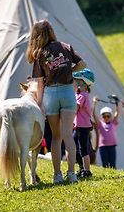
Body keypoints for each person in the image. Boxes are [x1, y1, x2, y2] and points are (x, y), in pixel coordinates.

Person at [27, 20, 86, 184]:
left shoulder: (40, 53)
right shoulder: (65, 46)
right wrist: (69, 71)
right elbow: (82, 64)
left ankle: (57, 175)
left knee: (56, 137)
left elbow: (39, 82)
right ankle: (72, 173)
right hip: (68, 91)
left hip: (51, 94)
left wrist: (39, 104)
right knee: (68, 135)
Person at [72, 68, 95, 178]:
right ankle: (82, 168)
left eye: (79, 82)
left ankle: (87, 171)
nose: (77, 83)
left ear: (85, 83)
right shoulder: (83, 94)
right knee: (74, 145)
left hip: (82, 126)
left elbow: (75, 108)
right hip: (80, 126)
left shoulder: (82, 95)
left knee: (83, 149)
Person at [92, 96, 120, 169]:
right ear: (101, 117)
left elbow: (117, 113)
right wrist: (94, 103)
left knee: (113, 164)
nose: (106, 118)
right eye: (104, 116)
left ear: (111, 116)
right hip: (103, 146)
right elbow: (94, 114)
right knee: (105, 164)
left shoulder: (113, 122)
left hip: (112, 146)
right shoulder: (100, 123)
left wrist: (116, 103)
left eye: (108, 116)